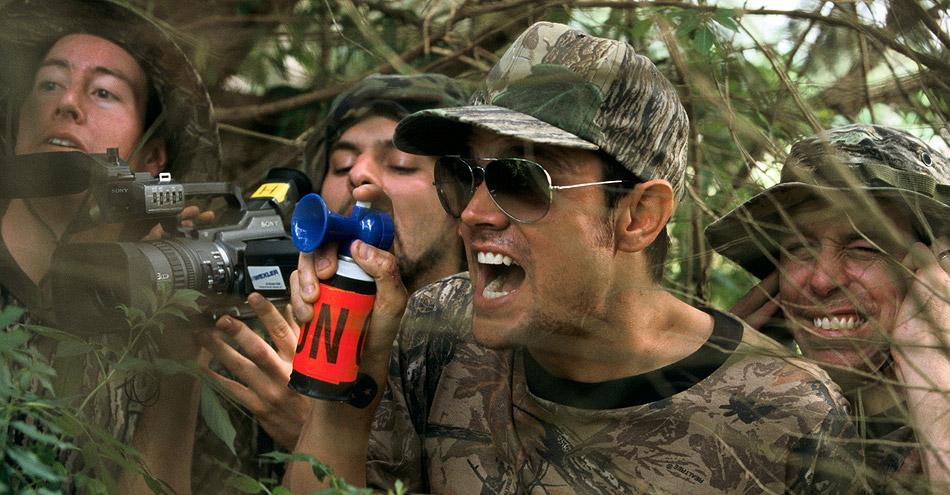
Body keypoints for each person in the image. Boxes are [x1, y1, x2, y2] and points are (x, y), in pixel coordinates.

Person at [283, 22, 863, 494]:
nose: (474, 213)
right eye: (464, 176)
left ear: (638, 217)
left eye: (521, 180)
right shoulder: (437, 328)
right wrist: (350, 374)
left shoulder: (785, 411)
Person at [0, 0, 221, 492]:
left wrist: (180, 364)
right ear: (14, 125)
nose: (67, 103)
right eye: (49, 83)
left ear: (152, 158)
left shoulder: (150, 322)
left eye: (103, 92)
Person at [198, 74, 469, 451]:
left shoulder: (493, 353)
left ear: (462, 199)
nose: (358, 174)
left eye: (401, 164)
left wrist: (315, 432)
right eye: (341, 164)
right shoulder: (270, 349)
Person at [706, 124, 950, 494]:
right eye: (799, 248)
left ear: (934, 270)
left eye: (864, 247)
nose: (821, 280)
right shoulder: (772, 423)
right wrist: (711, 389)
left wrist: (931, 361)